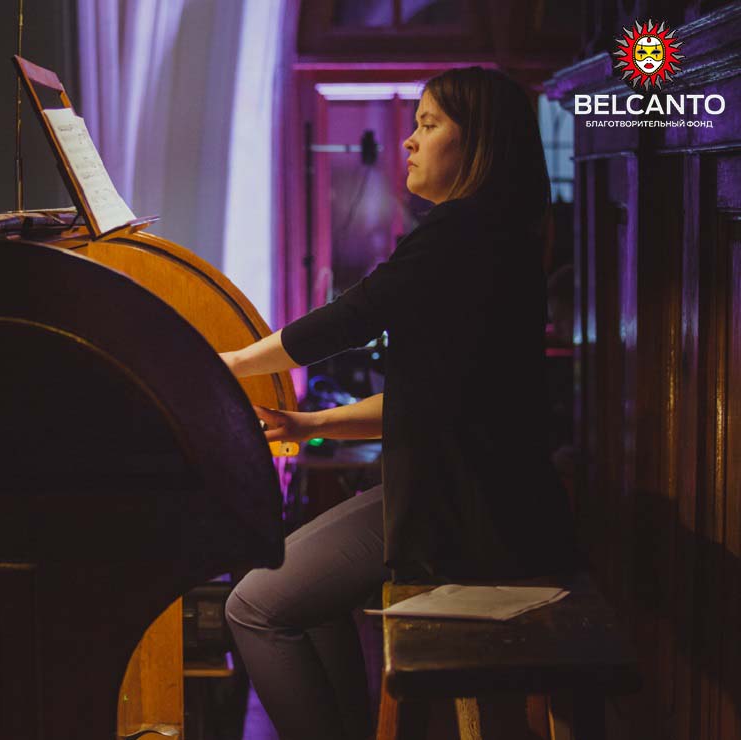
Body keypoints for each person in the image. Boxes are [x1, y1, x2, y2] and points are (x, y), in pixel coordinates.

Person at [219, 67, 583, 740]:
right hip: (485, 498)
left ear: (477, 144)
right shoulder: (498, 238)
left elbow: (351, 317)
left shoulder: (460, 234)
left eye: (429, 124)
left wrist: (230, 364)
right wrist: (309, 422)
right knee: (300, 591)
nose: (409, 142)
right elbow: (435, 399)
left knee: (253, 606)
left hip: (469, 516)